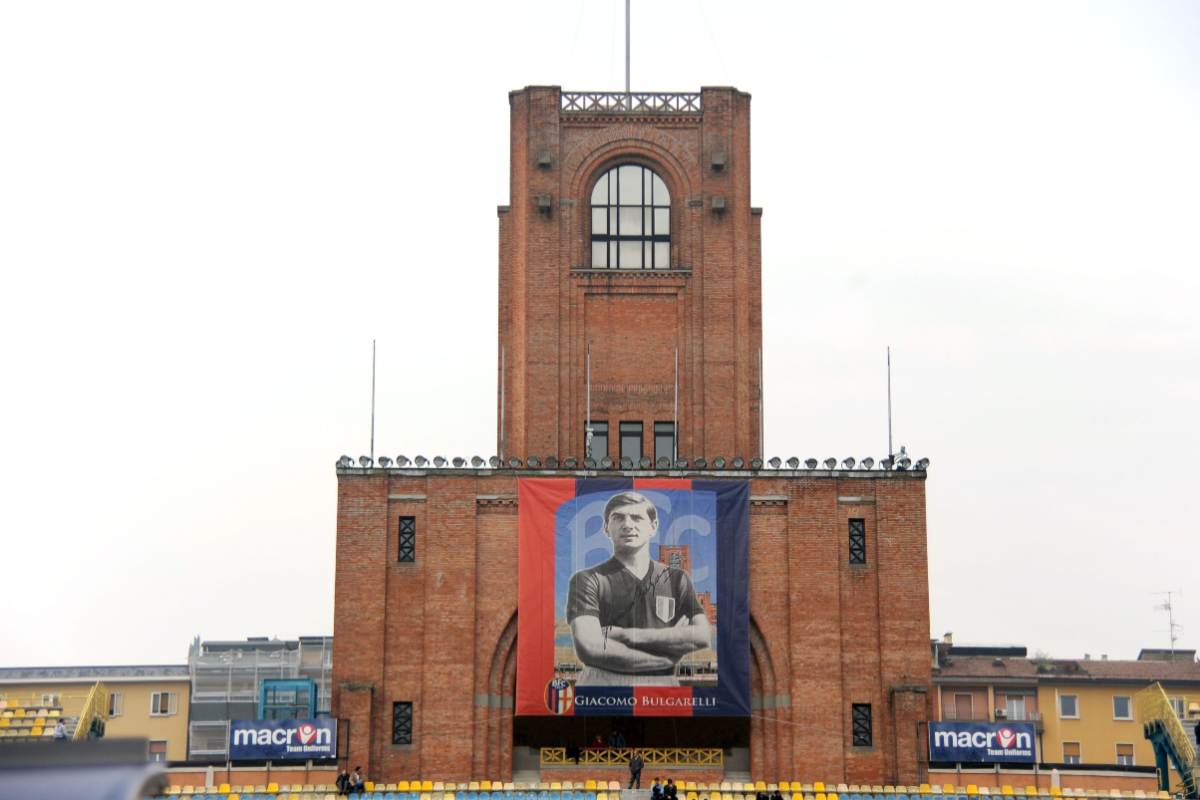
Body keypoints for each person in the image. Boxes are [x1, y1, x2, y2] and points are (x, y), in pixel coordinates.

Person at [567, 491, 710, 686]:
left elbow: (701, 636)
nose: (627, 525)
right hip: (603, 685)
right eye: (618, 518)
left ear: (653, 527)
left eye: (636, 517)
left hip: (662, 687)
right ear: (606, 528)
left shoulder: (677, 579)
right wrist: (665, 655)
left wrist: (625, 636)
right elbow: (590, 646)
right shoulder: (587, 579)